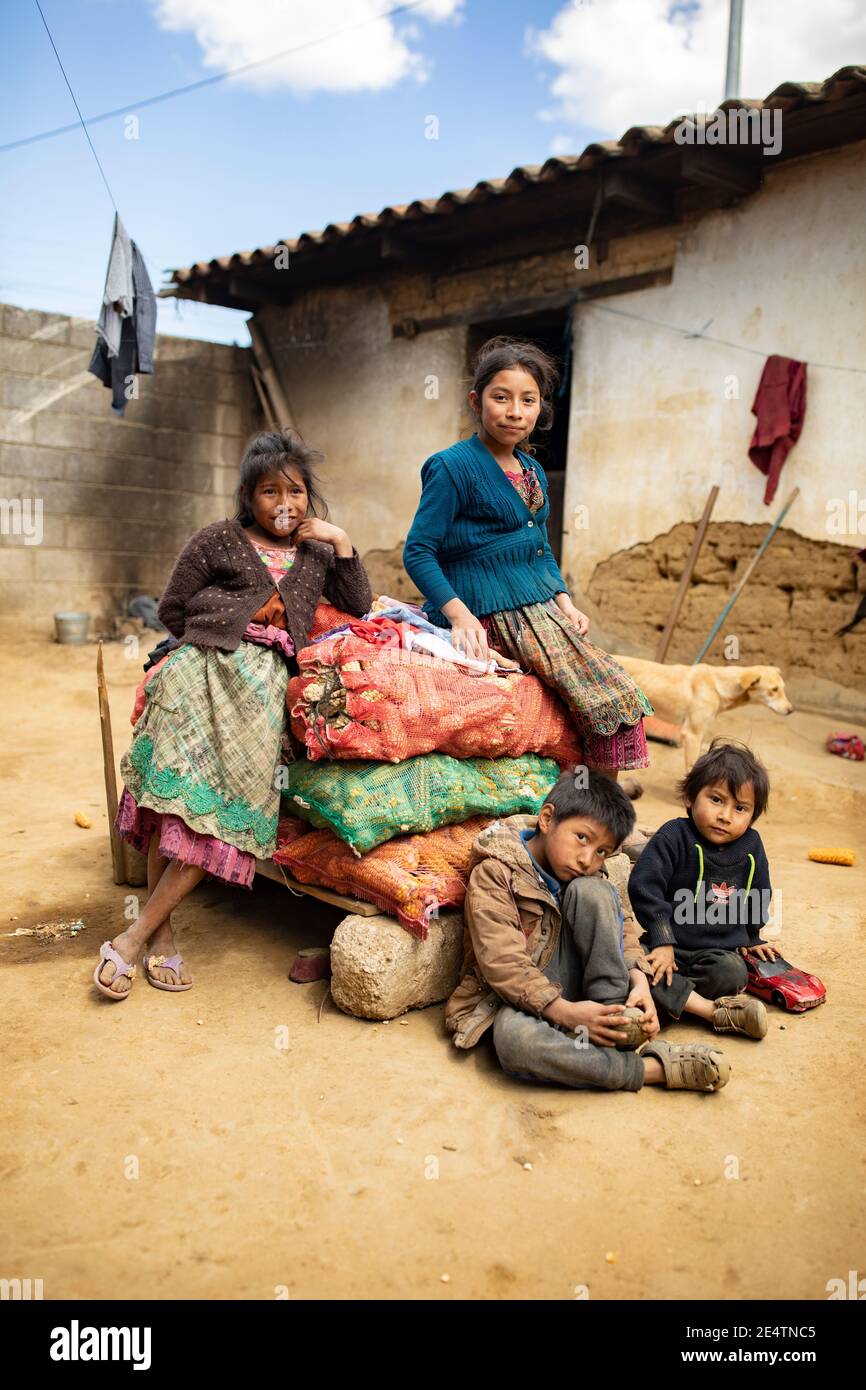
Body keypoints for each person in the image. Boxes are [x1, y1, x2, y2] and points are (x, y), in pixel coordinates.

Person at [92, 428, 372, 999]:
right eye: (270, 492)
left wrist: (341, 540)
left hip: (262, 699)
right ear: (248, 496)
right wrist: (217, 637)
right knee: (172, 805)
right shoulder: (217, 540)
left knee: (226, 817)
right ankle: (157, 939)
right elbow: (173, 606)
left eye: (295, 492)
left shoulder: (317, 554)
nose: (284, 505)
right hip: (200, 677)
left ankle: (132, 938)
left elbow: (358, 603)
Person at [402, 335, 654, 777]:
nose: (514, 411)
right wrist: (460, 617)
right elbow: (419, 552)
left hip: (539, 608)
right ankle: (592, 804)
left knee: (617, 696)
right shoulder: (451, 466)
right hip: (487, 610)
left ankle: (599, 808)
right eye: (501, 398)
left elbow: (540, 550)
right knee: (599, 695)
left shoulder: (533, 472)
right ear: (476, 401)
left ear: (541, 409)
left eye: (528, 400)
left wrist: (564, 600)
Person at [446, 770, 732, 1092]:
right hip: (518, 998)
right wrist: (567, 1013)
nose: (586, 859)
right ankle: (648, 1069)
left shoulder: (587, 874)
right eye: (582, 837)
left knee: (593, 893)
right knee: (514, 1040)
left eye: (601, 851)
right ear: (547, 818)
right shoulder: (496, 871)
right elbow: (504, 963)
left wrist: (638, 985)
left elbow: (622, 929)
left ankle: (614, 1022)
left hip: (587, 993)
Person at [628, 740, 778, 1040]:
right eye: (717, 800)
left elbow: (759, 891)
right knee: (627, 961)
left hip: (715, 954)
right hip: (665, 945)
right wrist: (662, 940)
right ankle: (701, 1009)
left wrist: (752, 936)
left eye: (740, 808)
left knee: (734, 973)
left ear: (752, 816)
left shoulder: (751, 846)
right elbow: (644, 885)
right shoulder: (674, 836)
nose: (726, 815)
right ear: (689, 796)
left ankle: (664, 1005)